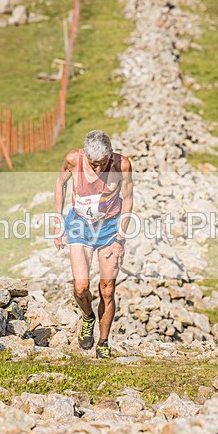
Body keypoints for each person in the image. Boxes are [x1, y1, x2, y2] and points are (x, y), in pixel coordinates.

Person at [53, 130, 134, 359]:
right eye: (92, 164)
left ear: (110, 155)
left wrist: (120, 240)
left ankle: (103, 342)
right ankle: (88, 316)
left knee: (107, 289)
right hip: (80, 226)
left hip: (109, 228)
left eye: (101, 164)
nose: (97, 169)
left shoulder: (121, 165)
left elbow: (128, 199)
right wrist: (58, 221)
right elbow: (60, 184)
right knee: (81, 287)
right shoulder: (73, 159)